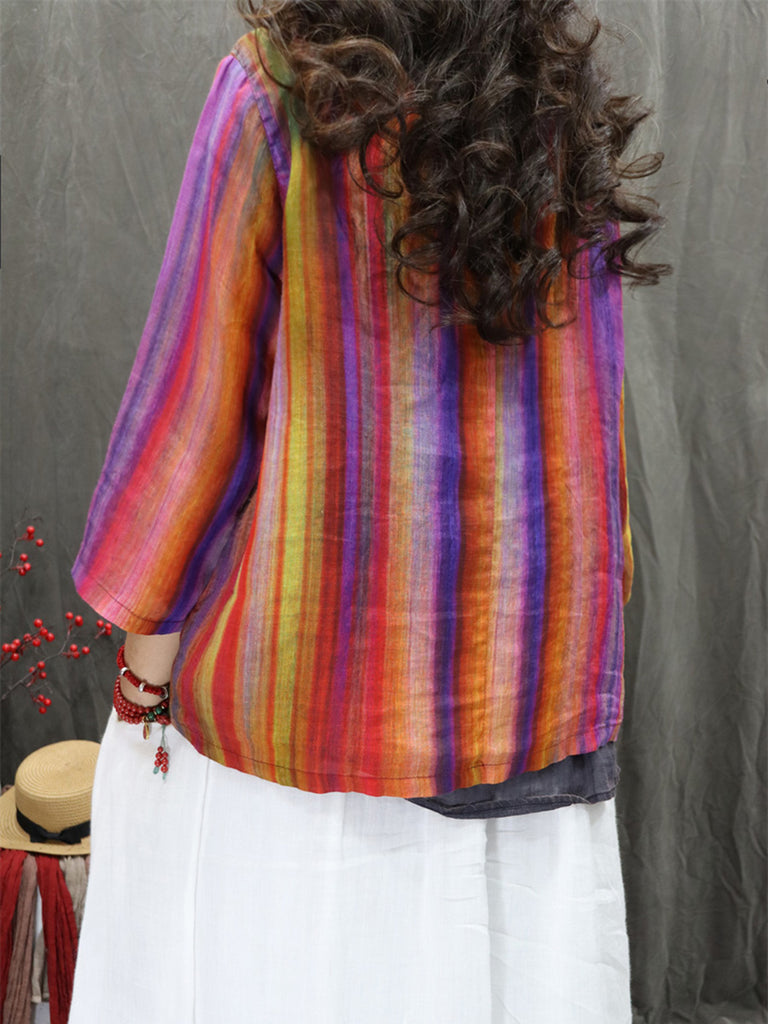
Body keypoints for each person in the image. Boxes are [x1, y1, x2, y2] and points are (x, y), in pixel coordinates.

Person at [67, 2, 670, 1022]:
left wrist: (141, 683)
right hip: (525, 715)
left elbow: (195, 423)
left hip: (313, 732)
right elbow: (581, 434)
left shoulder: (277, 92)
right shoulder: (552, 92)